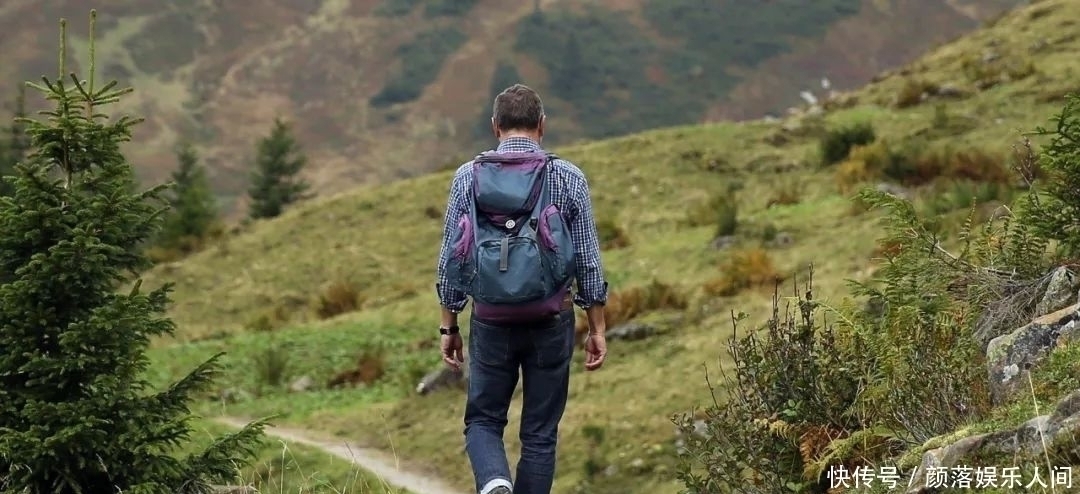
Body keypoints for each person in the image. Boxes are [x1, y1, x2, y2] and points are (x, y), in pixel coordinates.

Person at [435, 84, 609, 494]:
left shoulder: (467, 178)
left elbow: (450, 261)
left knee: (482, 421)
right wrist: (597, 326)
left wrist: (449, 326)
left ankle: (495, 484)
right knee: (540, 433)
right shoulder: (567, 176)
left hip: (491, 319)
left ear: (495, 127)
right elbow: (587, 260)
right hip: (551, 318)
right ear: (542, 126)